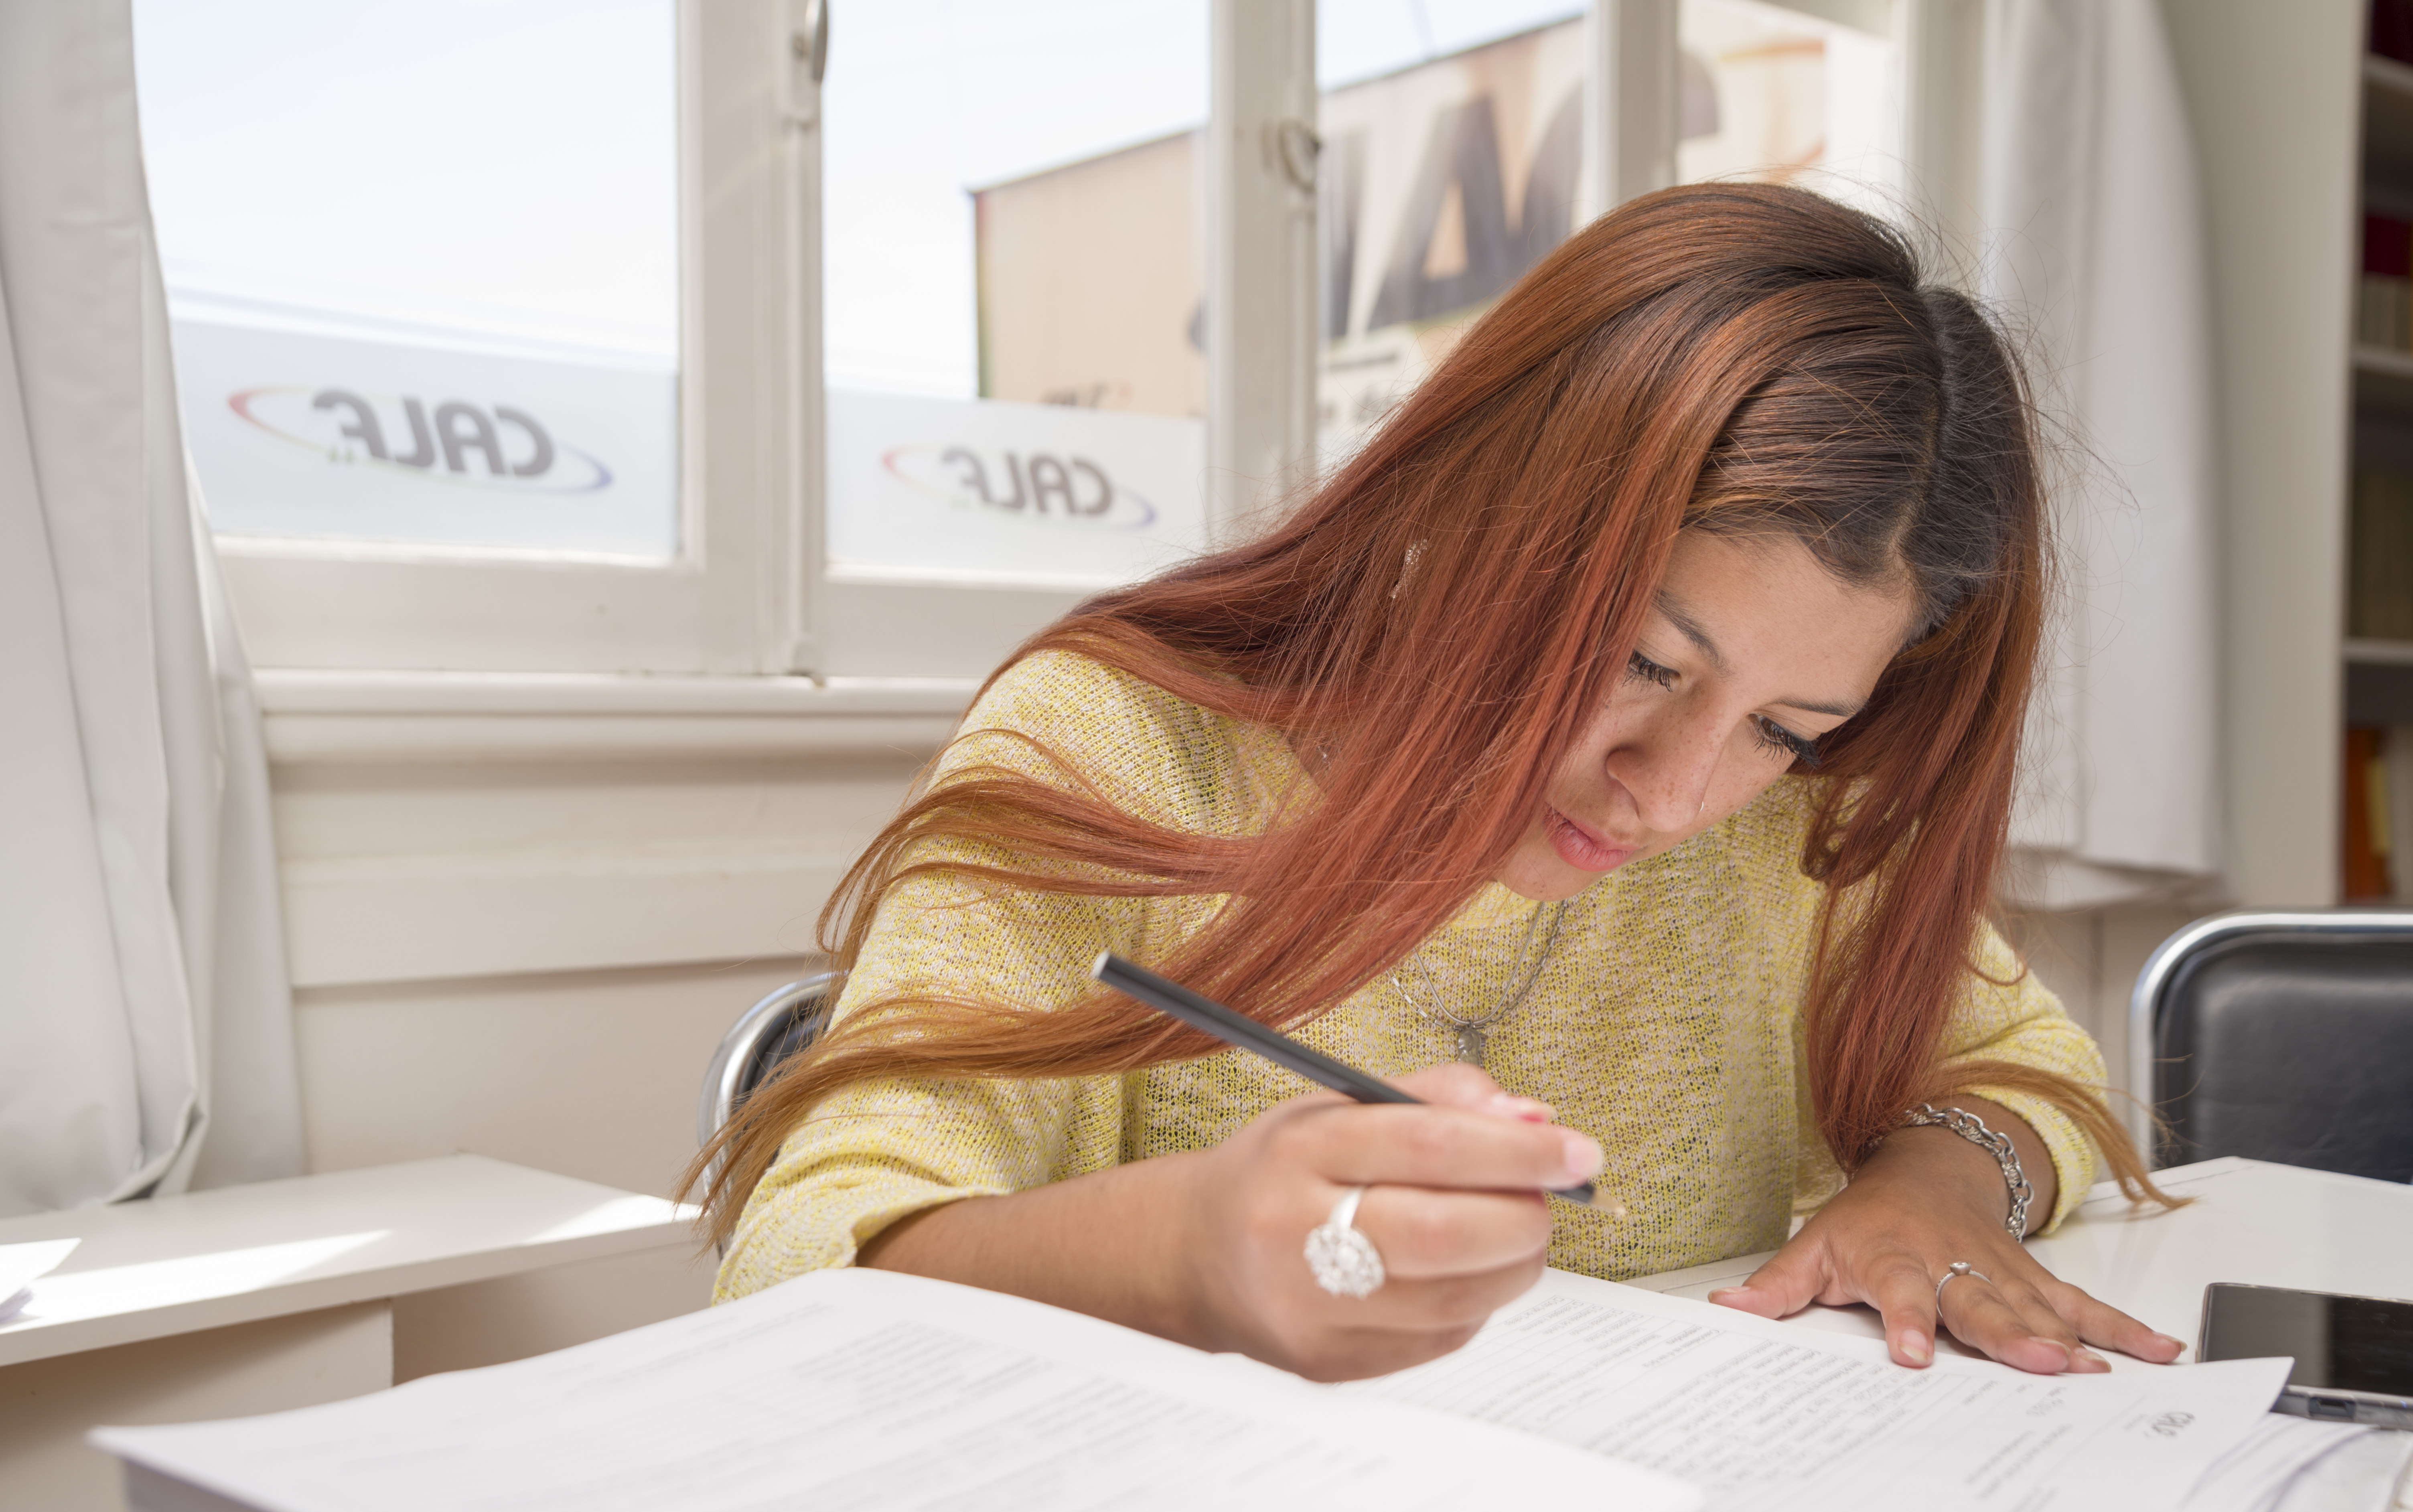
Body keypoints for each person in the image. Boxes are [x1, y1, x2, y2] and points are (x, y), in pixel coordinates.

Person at [689, 183, 2185, 1384]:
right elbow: (801, 1257)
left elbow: (2030, 1060)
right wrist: (1191, 1257)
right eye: (1645, 662)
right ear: (1482, 517)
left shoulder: (1787, 830)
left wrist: (1940, 1175)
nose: (1673, 796)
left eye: (1784, 726)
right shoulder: (1120, 741)